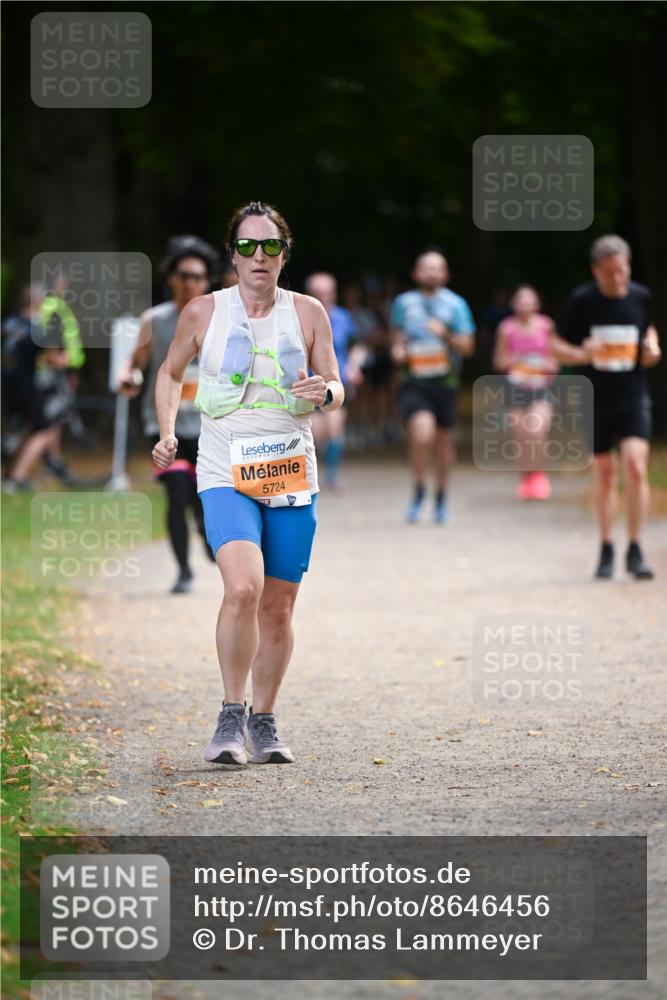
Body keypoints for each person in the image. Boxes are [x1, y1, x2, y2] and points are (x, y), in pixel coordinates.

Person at [152, 201, 344, 765]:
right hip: (223, 472)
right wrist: (167, 432)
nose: (258, 256)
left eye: (269, 246)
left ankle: (264, 719)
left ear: (285, 253)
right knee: (242, 589)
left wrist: (326, 393)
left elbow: (336, 381)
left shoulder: (307, 312)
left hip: (289, 473)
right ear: (232, 255)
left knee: (279, 609)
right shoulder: (202, 312)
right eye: (246, 246)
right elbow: (169, 372)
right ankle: (230, 715)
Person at [551, 235, 661, 579]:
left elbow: (649, 331)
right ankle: (605, 545)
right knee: (605, 473)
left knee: (636, 466)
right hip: (596, 398)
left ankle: (636, 547)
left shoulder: (641, 297)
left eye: (623, 272)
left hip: (633, 395)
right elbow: (555, 344)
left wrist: (653, 346)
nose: (617, 279)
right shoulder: (582, 301)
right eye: (610, 273)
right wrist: (580, 354)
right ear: (596, 271)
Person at [118, 235, 220, 593]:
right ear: (171, 277)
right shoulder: (155, 319)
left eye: (197, 276)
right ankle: (183, 571)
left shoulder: (219, 320)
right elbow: (135, 365)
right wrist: (129, 378)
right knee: (177, 493)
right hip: (164, 424)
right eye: (183, 274)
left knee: (201, 499)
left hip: (208, 425)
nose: (190, 282)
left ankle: (210, 541)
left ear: (207, 281)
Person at [390, 248, 475, 523]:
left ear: (446, 274)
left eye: (437, 268)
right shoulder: (404, 303)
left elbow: (468, 346)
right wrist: (398, 350)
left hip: (445, 382)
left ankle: (441, 497)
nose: (431, 272)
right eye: (426, 267)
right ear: (416, 273)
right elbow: (397, 337)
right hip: (414, 381)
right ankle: (418, 490)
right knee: (420, 435)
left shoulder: (456, 305)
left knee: (442, 443)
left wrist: (447, 335)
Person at [1, 283, 71, 492]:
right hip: (24, 386)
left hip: (4, 384)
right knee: (43, 429)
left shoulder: (9, 323)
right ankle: (16, 478)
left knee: (19, 429)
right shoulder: (40, 328)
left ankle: (10, 469)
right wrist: (65, 359)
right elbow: (54, 359)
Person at [493, 285, 558, 500]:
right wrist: (514, 361)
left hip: (541, 388)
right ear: (514, 304)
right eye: (521, 300)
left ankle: (539, 475)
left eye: (530, 301)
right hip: (515, 389)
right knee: (521, 437)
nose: (525, 305)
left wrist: (546, 364)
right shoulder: (506, 328)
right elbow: (498, 361)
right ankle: (525, 478)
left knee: (536, 431)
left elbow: (555, 358)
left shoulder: (546, 325)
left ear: (537, 305)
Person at [305, 272, 360, 491]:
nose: (324, 297)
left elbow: (357, 345)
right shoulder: (301, 317)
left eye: (328, 293)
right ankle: (312, 478)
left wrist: (354, 366)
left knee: (334, 429)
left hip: (337, 383)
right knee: (317, 435)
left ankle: (332, 477)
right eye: (319, 293)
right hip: (309, 385)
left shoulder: (344, 318)